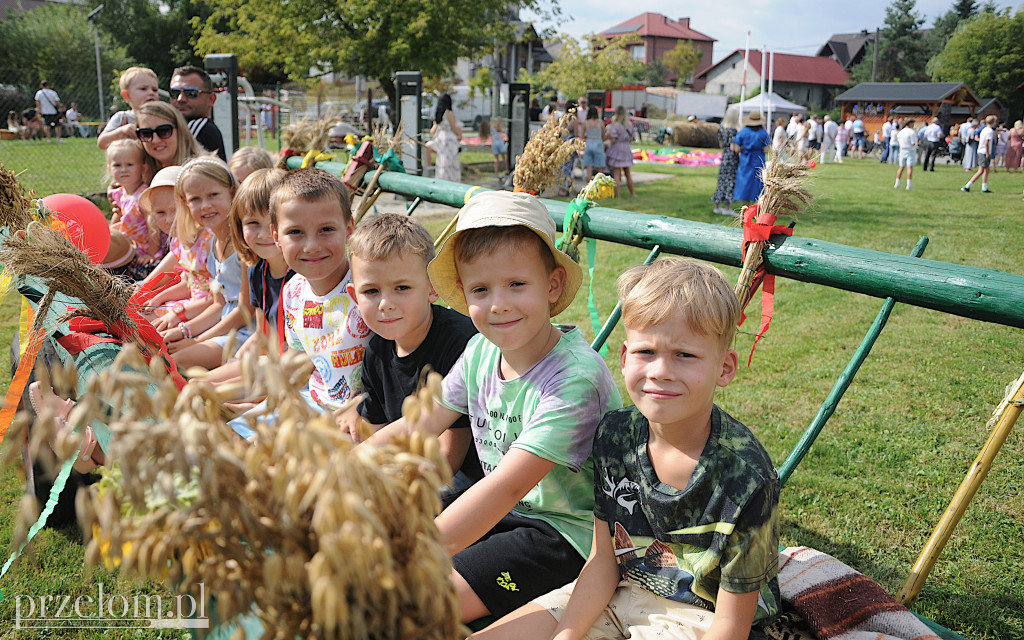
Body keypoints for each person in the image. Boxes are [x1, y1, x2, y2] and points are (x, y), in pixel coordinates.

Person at [471, 257, 780, 640]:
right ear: (623, 356)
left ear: (725, 368)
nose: (660, 371)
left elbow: (731, 625)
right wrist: (565, 636)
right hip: (617, 591)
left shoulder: (747, 477)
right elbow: (603, 562)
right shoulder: (614, 435)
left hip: (699, 615)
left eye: (685, 355)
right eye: (646, 352)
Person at [364, 190, 621, 624]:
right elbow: (419, 423)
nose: (498, 304)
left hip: (564, 534)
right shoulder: (482, 350)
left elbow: (506, 486)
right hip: (501, 514)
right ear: (463, 294)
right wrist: (339, 471)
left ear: (552, 284)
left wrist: (411, 552)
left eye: (516, 284)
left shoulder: (574, 378)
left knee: (407, 603)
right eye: (481, 289)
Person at [346, 213, 482, 492]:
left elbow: (450, 457)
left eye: (402, 288)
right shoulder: (375, 349)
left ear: (432, 288)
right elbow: (375, 433)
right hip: (405, 466)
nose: (385, 303)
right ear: (353, 296)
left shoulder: (460, 344)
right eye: (371, 291)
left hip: (464, 476)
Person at [158, 157, 252, 369]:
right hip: (223, 327)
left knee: (175, 362)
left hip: (246, 333)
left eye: (213, 195)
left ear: (232, 193)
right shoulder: (213, 244)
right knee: (160, 346)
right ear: (185, 203)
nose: (206, 205)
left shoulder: (243, 243)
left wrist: (196, 341)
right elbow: (219, 304)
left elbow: (245, 310)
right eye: (196, 199)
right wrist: (185, 331)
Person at [106, 138, 162, 279]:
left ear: (143, 168)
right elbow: (119, 216)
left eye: (129, 165)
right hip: (128, 249)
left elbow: (153, 224)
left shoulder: (143, 195)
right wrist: (110, 238)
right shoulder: (120, 193)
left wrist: (152, 253)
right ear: (109, 168)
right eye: (117, 165)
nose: (123, 170)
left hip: (143, 252)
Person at [170, 65, 226, 160]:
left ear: (211, 99)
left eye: (191, 93)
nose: (180, 99)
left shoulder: (200, 128)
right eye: (175, 93)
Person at [97, 67, 160, 150]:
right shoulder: (122, 117)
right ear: (126, 95)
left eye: (154, 90)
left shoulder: (161, 118)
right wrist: (122, 131)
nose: (151, 93)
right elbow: (102, 143)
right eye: (143, 89)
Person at [135, 101, 202, 177]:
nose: (155, 140)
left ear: (180, 130)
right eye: (146, 133)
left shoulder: (203, 172)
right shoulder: (138, 176)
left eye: (164, 131)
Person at [731, 111, 772, 205]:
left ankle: (746, 207)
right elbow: (767, 149)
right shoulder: (763, 133)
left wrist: (744, 148)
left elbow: (736, 148)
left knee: (745, 183)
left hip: (746, 159)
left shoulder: (743, 132)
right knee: (758, 184)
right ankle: (756, 207)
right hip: (759, 159)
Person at [427, 93, 462, 183]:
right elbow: (454, 128)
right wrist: (459, 135)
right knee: (451, 162)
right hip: (449, 139)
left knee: (442, 161)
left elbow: (432, 131)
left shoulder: (438, 114)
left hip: (440, 138)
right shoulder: (449, 113)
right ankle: (452, 182)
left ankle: (440, 179)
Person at [711, 107, 740, 216]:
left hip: (724, 157)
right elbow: (734, 147)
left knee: (722, 181)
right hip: (732, 157)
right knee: (730, 182)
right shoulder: (734, 130)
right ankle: (727, 208)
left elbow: (721, 144)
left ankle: (717, 206)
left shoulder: (722, 128)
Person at [606, 106, 635, 198]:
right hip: (626, 149)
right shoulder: (629, 125)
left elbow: (613, 139)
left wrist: (608, 136)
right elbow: (632, 138)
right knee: (628, 174)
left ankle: (617, 195)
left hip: (617, 149)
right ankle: (632, 193)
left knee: (617, 174)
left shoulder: (615, 125)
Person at [962, 115, 996, 193]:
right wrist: (988, 153)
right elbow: (987, 142)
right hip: (984, 152)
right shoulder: (990, 131)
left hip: (981, 150)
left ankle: (984, 187)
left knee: (986, 170)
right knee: (981, 171)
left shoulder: (984, 129)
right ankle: (967, 186)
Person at [581, 106, 607, 182]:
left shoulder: (585, 123)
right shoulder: (600, 122)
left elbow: (582, 137)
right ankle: (599, 184)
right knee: (600, 166)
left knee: (589, 166)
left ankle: (589, 184)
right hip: (598, 142)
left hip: (588, 142)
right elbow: (604, 135)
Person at [894, 119, 918, 190]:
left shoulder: (901, 132)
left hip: (902, 149)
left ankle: (897, 183)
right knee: (909, 167)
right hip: (910, 150)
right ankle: (909, 185)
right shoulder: (912, 132)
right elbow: (913, 142)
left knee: (901, 167)